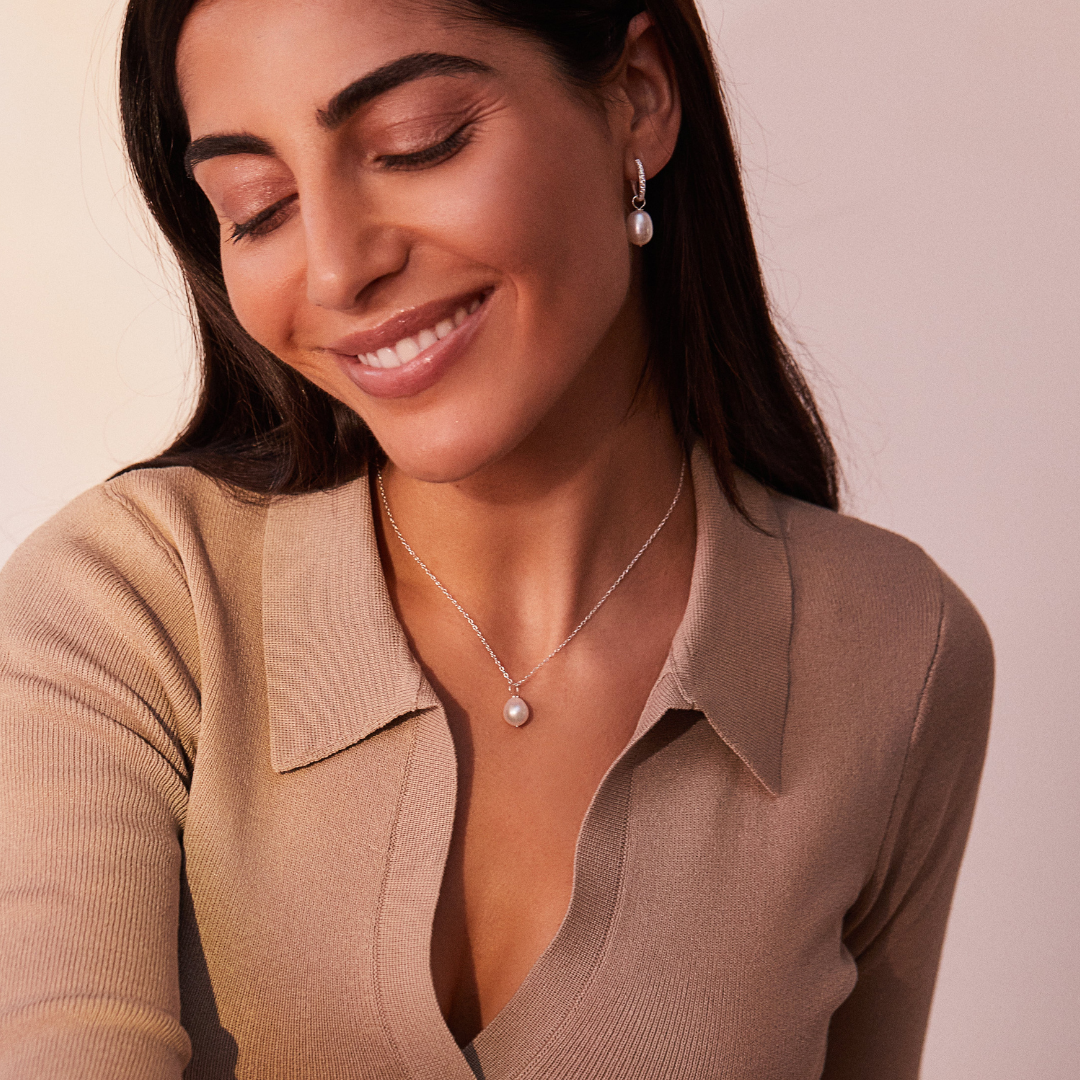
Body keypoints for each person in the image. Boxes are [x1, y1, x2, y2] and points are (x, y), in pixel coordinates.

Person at [0, 0, 994, 1077]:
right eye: (260, 205)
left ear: (640, 98)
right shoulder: (133, 607)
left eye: (415, 143)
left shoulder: (897, 652)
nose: (338, 269)